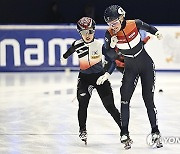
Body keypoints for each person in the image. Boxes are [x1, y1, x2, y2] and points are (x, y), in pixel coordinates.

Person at [103, 5, 163, 149]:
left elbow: (148, 28)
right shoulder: (109, 34)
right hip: (130, 68)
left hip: (146, 65)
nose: (113, 26)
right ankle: (124, 133)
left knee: (148, 99)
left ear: (122, 17)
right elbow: (109, 55)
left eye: (115, 22)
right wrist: (111, 46)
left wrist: (157, 33)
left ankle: (155, 131)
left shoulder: (134, 23)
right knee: (124, 99)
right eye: (109, 23)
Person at [60, 17, 121, 145]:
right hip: (85, 79)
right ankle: (82, 129)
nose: (87, 35)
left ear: (94, 31)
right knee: (83, 104)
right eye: (83, 32)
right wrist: (64, 57)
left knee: (110, 107)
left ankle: (124, 130)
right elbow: (70, 50)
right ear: (79, 33)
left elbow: (113, 60)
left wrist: (107, 74)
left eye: (90, 32)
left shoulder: (99, 45)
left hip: (100, 78)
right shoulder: (77, 44)